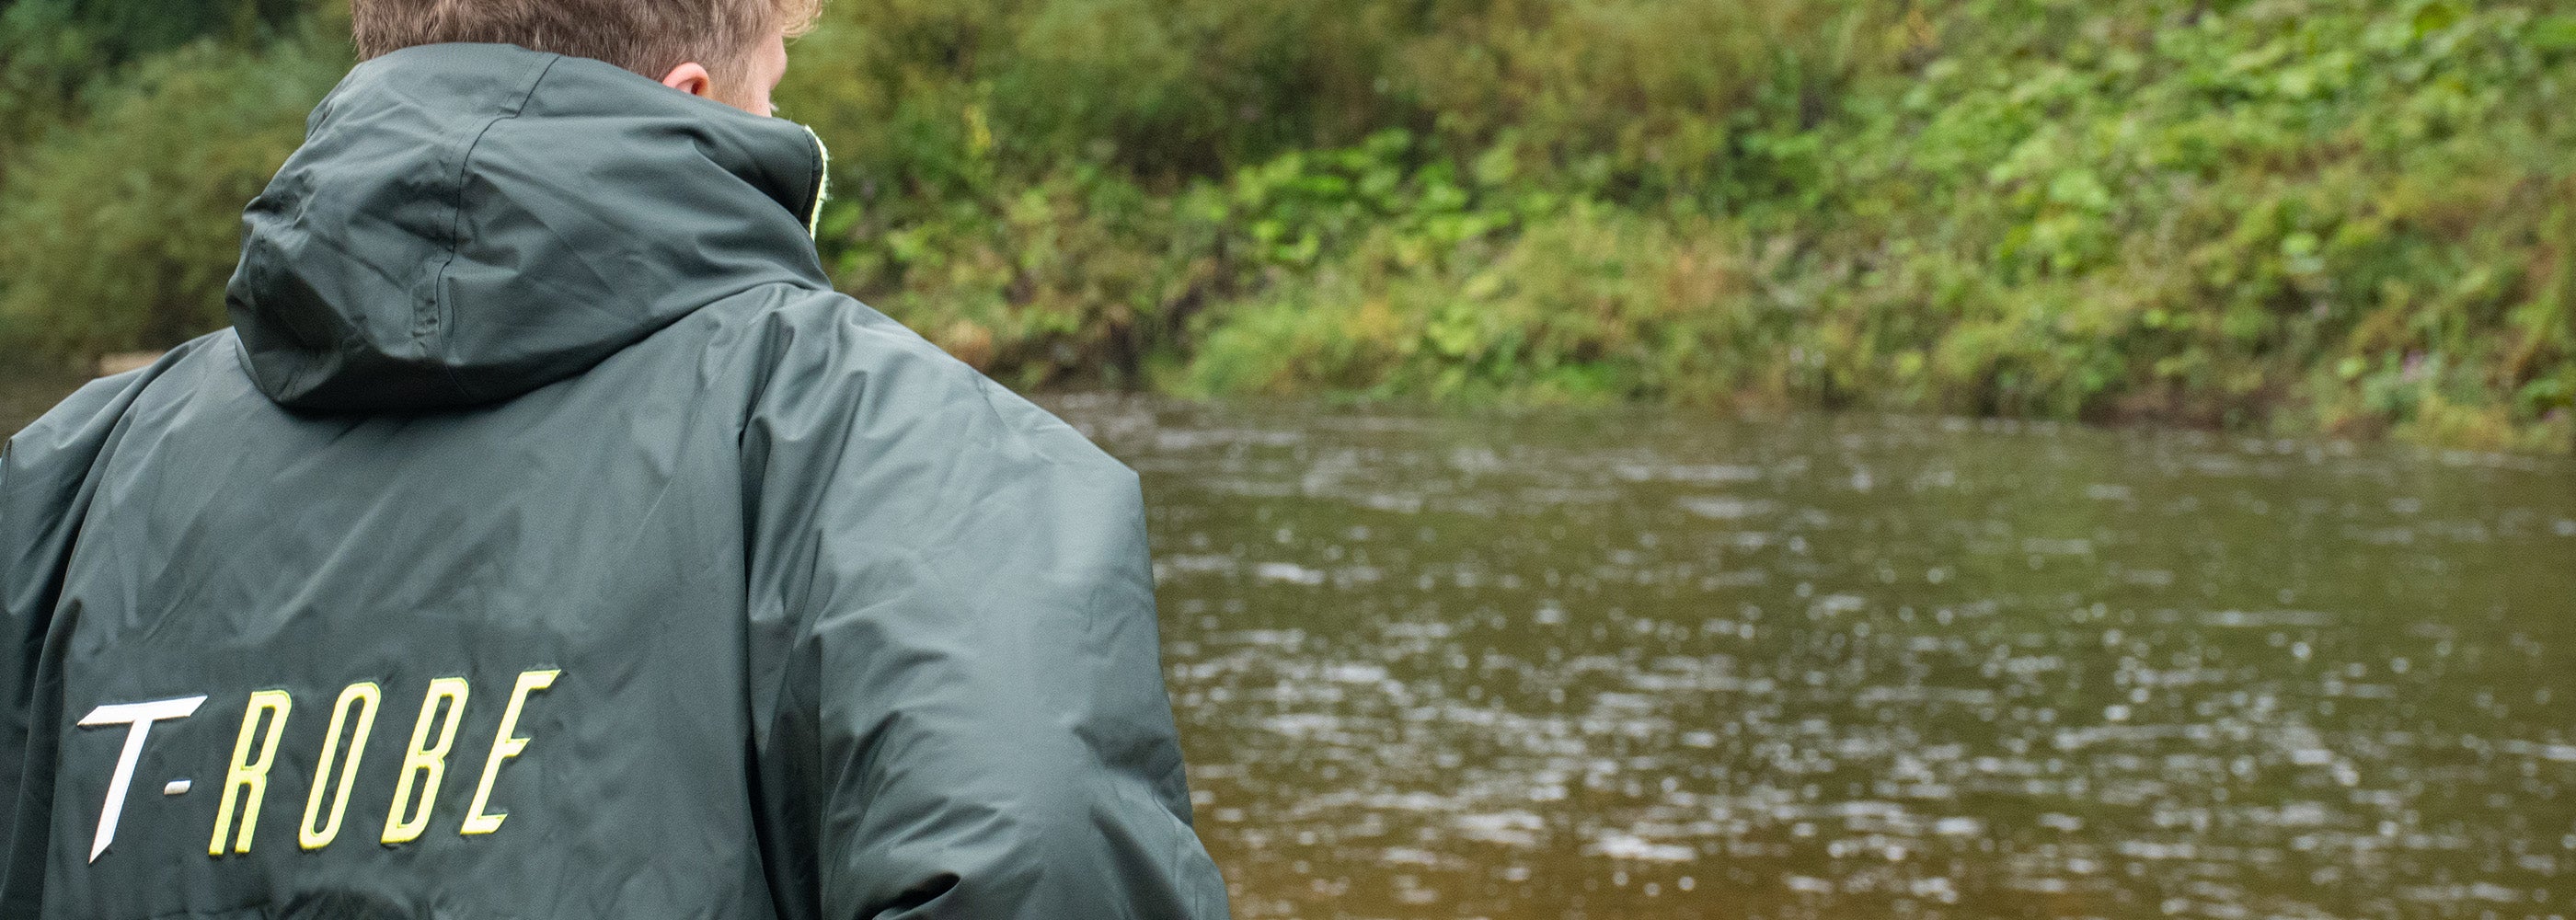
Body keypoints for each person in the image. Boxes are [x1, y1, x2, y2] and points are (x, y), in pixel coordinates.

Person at [0, 0, 1232, 916]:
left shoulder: (66, 477)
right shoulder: (901, 452)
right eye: (777, 85)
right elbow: (1042, 863)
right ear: (692, 99)